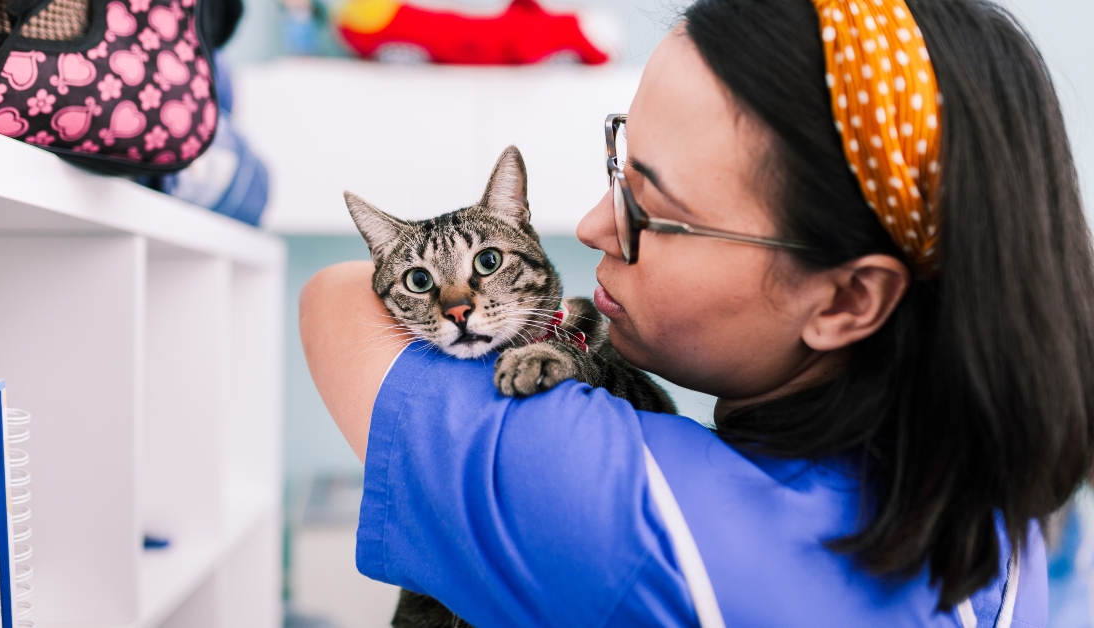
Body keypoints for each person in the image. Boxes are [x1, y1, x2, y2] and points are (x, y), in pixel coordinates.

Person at [301, 0, 1094, 624]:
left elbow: (336, 300)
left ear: (846, 299)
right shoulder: (999, 522)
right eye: (619, 164)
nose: (593, 226)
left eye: (652, 208)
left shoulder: (641, 515)